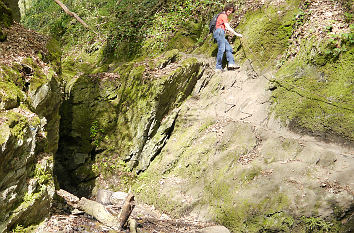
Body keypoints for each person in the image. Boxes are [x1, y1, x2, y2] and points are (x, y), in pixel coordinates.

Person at [213, 3, 243, 72]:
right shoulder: (223, 15)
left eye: (231, 11)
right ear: (226, 9)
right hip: (219, 32)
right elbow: (227, 26)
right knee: (222, 49)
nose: (230, 12)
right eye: (229, 10)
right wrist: (236, 34)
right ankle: (218, 67)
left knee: (228, 48)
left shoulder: (223, 16)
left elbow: (225, 26)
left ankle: (231, 64)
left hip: (221, 32)